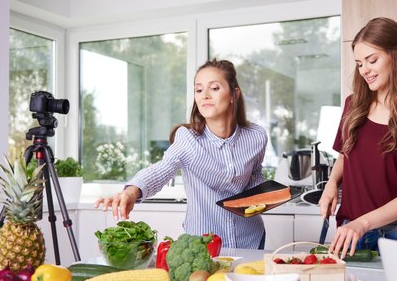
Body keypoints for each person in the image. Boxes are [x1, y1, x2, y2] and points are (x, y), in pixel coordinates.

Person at [95, 59, 268, 249]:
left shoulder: (256, 137)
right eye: (199, 90)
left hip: (251, 238)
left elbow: (255, 174)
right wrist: (131, 191)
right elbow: (162, 169)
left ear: (234, 94)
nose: (205, 96)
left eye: (215, 88)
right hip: (203, 243)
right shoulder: (188, 139)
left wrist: (268, 194)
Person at [319, 17, 397, 258]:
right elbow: (345, 156)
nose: (364, 70)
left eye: (372, 60)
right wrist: (331, 184)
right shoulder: (353, 105)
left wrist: (362, 223)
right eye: (359, 63)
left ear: (396, 57)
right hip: (350, 229)